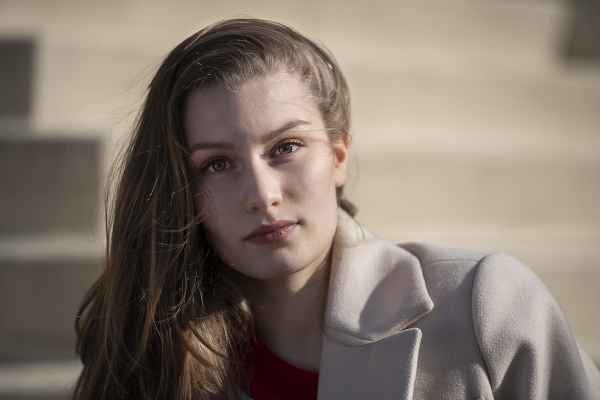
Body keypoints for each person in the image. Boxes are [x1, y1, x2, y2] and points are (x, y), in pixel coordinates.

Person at [72, 18, 600, 400]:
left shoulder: (485, 304)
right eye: (217, 164)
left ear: (338, 155)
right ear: (181, 189)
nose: (262, 193)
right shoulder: (147, 352)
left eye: (286, 147)